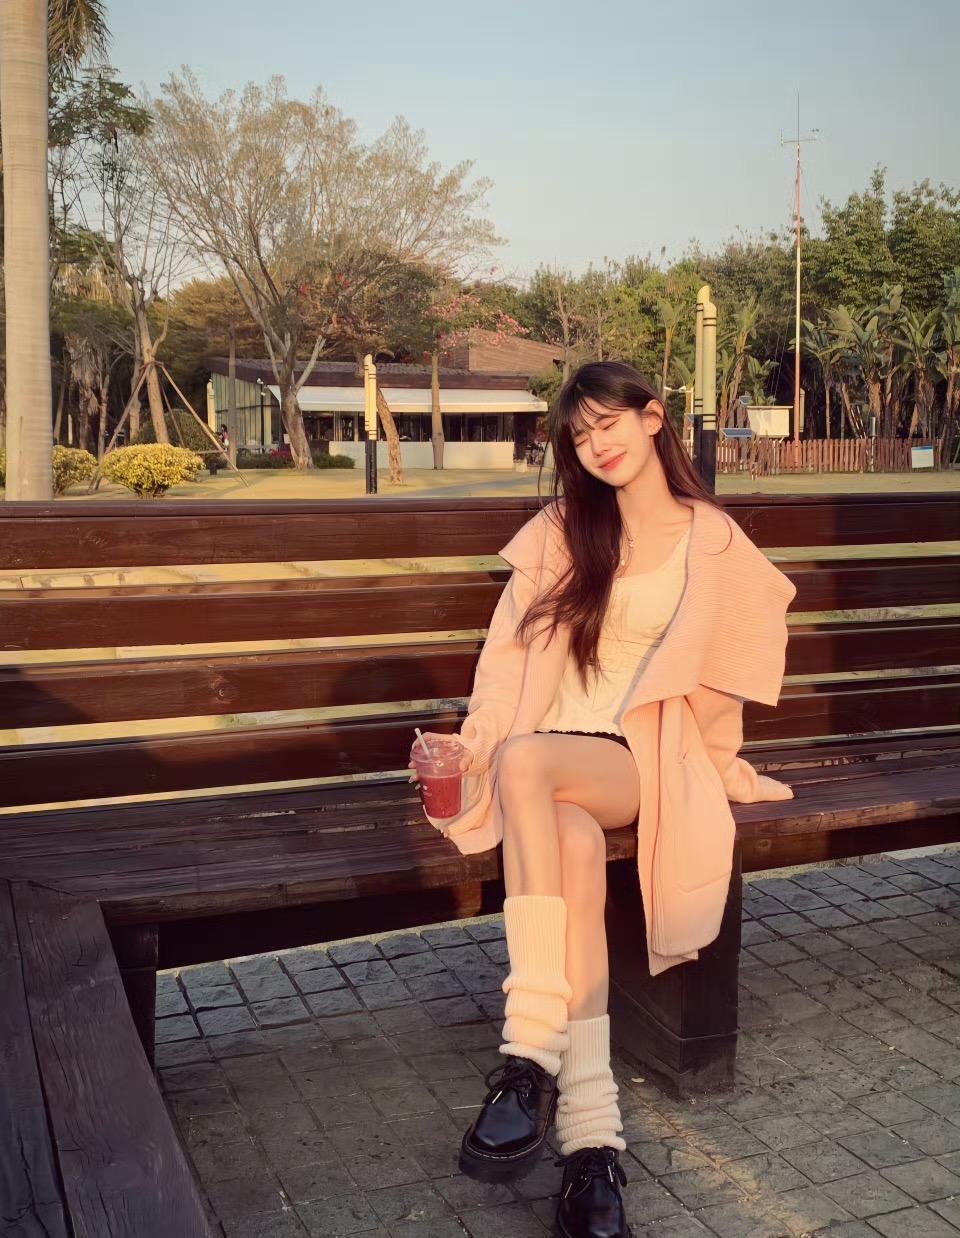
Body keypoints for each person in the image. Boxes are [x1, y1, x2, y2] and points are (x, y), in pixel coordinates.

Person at [409, 360, 796, 1238]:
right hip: (549, 767)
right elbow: (507, 664)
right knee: (568, 842)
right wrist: (472, 743)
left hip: (641, 758)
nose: (597, 446)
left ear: (653, 418)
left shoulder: (711, 539)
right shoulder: (563, 531)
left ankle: (526, 1048)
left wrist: (722, 767)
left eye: (608, 423)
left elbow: (724, 680)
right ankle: (591, 1143)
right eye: (579, 437)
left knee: (529, 764)